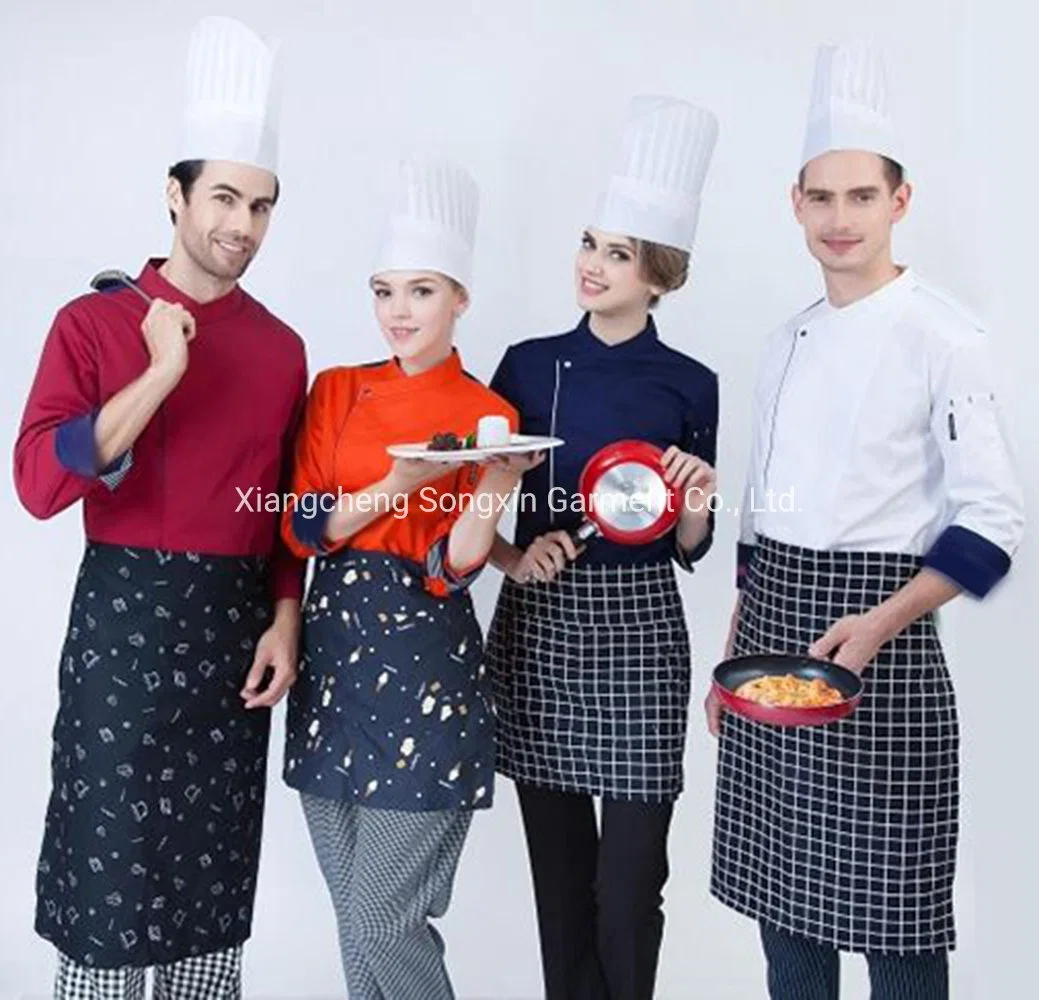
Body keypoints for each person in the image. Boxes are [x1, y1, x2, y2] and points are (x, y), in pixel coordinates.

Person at [706, 41, 1025, 1000]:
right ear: (793, 204)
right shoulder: (784, 342)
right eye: (821, 198)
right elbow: (764, 512)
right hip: (771, 632)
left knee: (897, 925)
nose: (838, 219)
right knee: (784, 913)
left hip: (880, 639)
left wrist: (882, 622)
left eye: (859, 197)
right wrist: (734, 643)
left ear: (899, 201)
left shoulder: (946, 338)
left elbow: (994, 519)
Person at [13, 16, 308, 999]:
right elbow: (39, 483)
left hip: (233, 645)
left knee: (208, 908)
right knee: (109, 904)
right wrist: (161, 371)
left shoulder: (279, 348)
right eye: (224, 196)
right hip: (125, 640)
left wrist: (285, 616)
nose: (243, 224)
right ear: (175, 196)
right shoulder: (93, 324)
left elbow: (278, 505)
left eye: (261, 205)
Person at [279, 156, 540, 1000]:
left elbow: (452, 567)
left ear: (459, 298)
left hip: (425, 665)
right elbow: (303, 524)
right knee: (354, 921)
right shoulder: (336, 389)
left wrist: (494, 491)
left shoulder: (483, 414)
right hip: (331, 663)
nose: (398, 311)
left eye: (421, 291)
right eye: (385, 291)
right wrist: (393, 488)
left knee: (386, 921)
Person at [485, 96, 721, 1000]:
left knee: (628, 888)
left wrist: (696, 501)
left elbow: (686, 541)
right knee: (560, 883)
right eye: (588, 243)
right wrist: (512, 558)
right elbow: (484, 496)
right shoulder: (523, 363)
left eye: (616, 253)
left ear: (656, 275)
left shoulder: (688, 383)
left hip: (639, 630)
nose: (591, 265)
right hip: (541, 628)